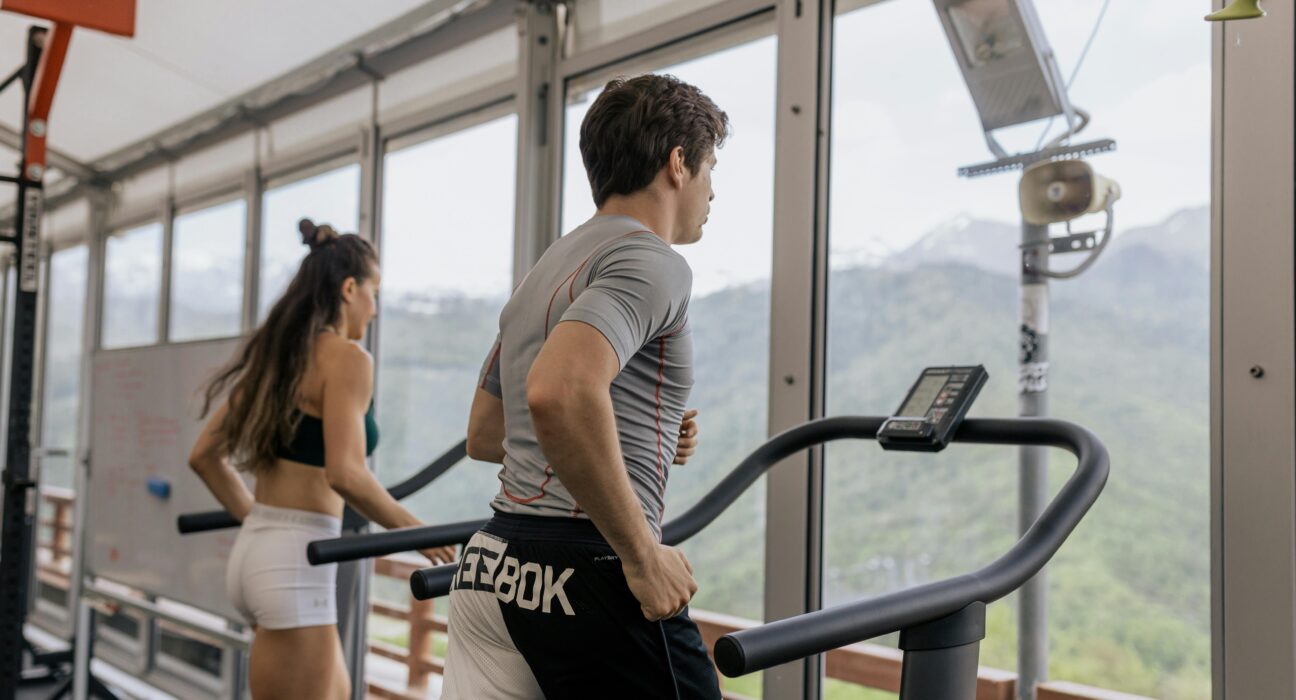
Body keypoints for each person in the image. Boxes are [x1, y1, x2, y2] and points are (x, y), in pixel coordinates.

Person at [443, 73, 724, 698]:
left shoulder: (547, 269)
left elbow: (489, 434)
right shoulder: (653, 260)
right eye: (710, 167)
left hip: (493, 564)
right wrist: (642, 556)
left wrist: (633, 435)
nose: (713, 190)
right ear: (678, 164)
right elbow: (560, 393)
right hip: (585, 566)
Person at [187, 220, 456, 699]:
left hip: (265, 552)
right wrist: (417, 532)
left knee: (339, 690)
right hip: (296, 561)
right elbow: (346, 474)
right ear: (350, 289)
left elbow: (205, 456)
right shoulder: (348, 359)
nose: (374, 310)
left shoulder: (277, 361)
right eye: (374, 293)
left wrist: (259, 522)